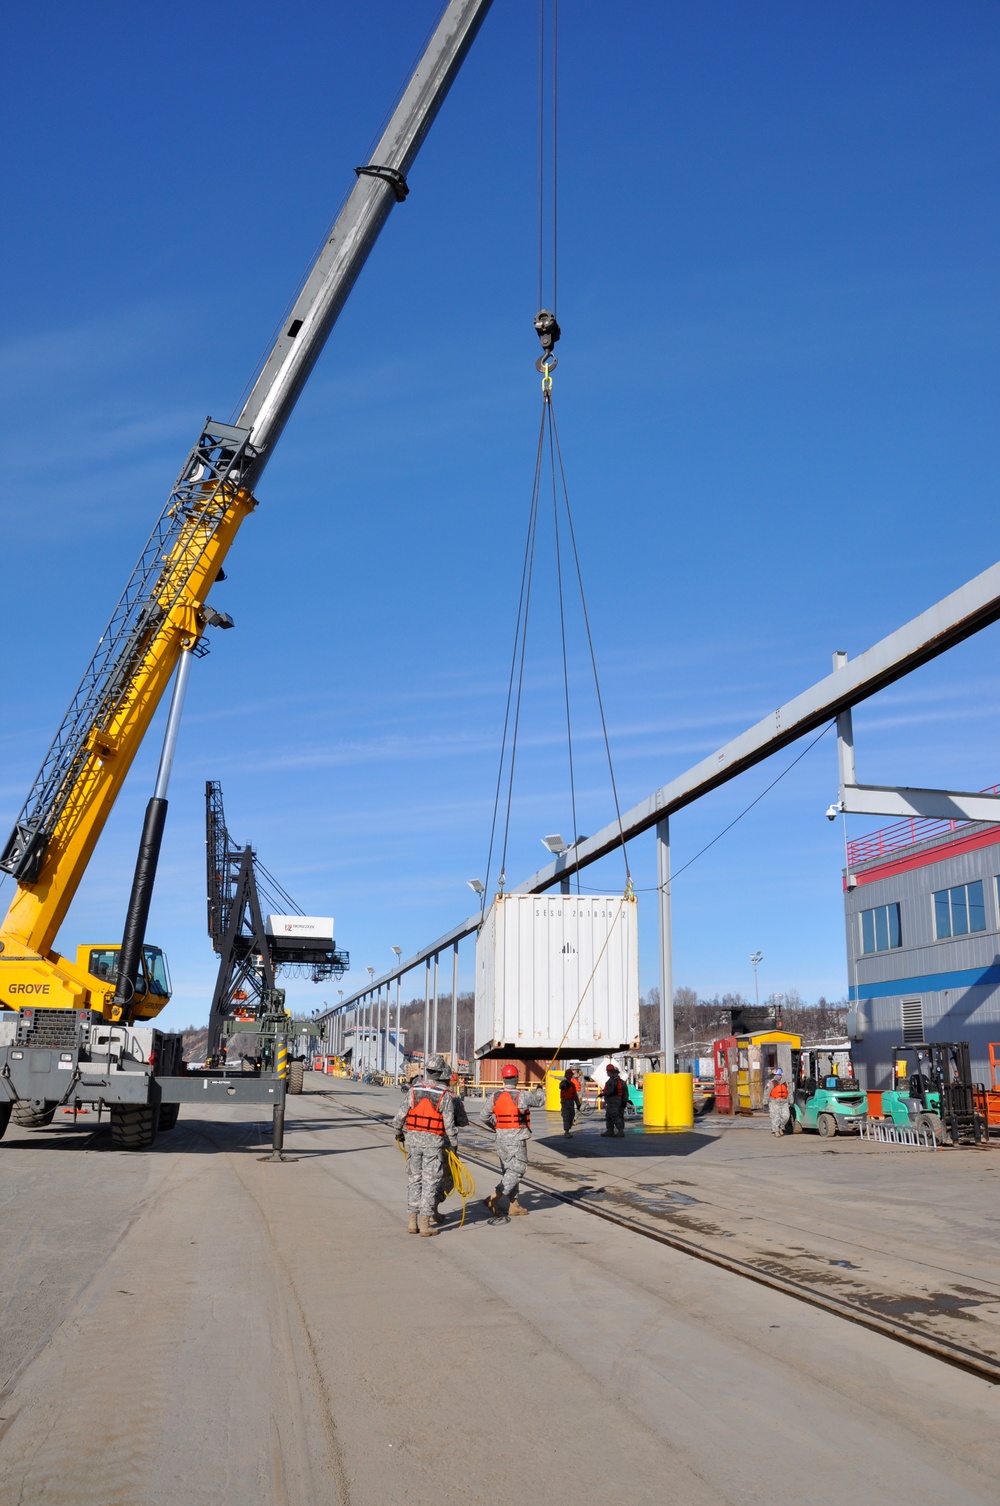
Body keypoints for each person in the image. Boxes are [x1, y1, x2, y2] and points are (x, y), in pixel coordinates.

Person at [392, 1052, 457, 1236]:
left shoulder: (413, 1091)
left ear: (427, 1071)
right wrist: (453, 1145)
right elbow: (450, 1125)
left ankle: (412, 1222)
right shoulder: (444, 1095)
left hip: (413, 1142)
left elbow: (399, 1118)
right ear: (441, 1072)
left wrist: (399, 1134)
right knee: (430, 1183)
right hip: (433, 1145)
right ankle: (425, 1224)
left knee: (414, 1180)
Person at [482, 1064, 545, 1216]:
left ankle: (514, 1204)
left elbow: (483, 1116)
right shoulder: (522, 1095)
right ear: (517, 1078)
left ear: (503, 1079)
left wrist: (495, 1126)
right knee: (518, 1169)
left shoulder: (494, 1096)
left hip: (501, 1138)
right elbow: (540, 1101)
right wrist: (540, 1090)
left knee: (509, 1171)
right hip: (516, 1138)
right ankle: (494, 1198)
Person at [599, 1062, 629, 1138]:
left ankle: (619, 1131)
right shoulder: (622, 1082)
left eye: (608, 1072)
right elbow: (626, 1093)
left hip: (613, 1103)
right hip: (619, 1102)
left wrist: (603, 1094)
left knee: (615, 1116)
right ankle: (611, 1130)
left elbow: (610, 1091)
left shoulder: (611, 1081)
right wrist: (624, 1101)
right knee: (612, 1116)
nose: (607, 1073)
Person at [767, 1067, 791, 1137]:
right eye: (778, 1074)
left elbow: (789, 1092)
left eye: (780, 1074)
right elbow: (767, 1092)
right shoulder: (771, 1082)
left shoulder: (785, 1083)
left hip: (784, 1101)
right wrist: (765, 1101)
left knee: (786, 1116)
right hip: (774, 1101)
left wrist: (791, 1100)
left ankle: (780, 1126)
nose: (779, 1076)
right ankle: (776, 1130)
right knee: (775, 1117)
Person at [559, 1069, 581, 1135]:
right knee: (566, 1117)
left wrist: (578, 1103)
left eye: (570, 1074)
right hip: (565, 1103)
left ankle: (568, 1129)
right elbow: (561, 1086)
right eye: (568, 1074)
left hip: (571, 1103)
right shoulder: (563, 1082)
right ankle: (566, 1131)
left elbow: (575, 1095)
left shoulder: (572, 1085)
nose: (569, 1075)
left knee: (572, 1116)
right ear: (565, 1075)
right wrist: (563, 1086)